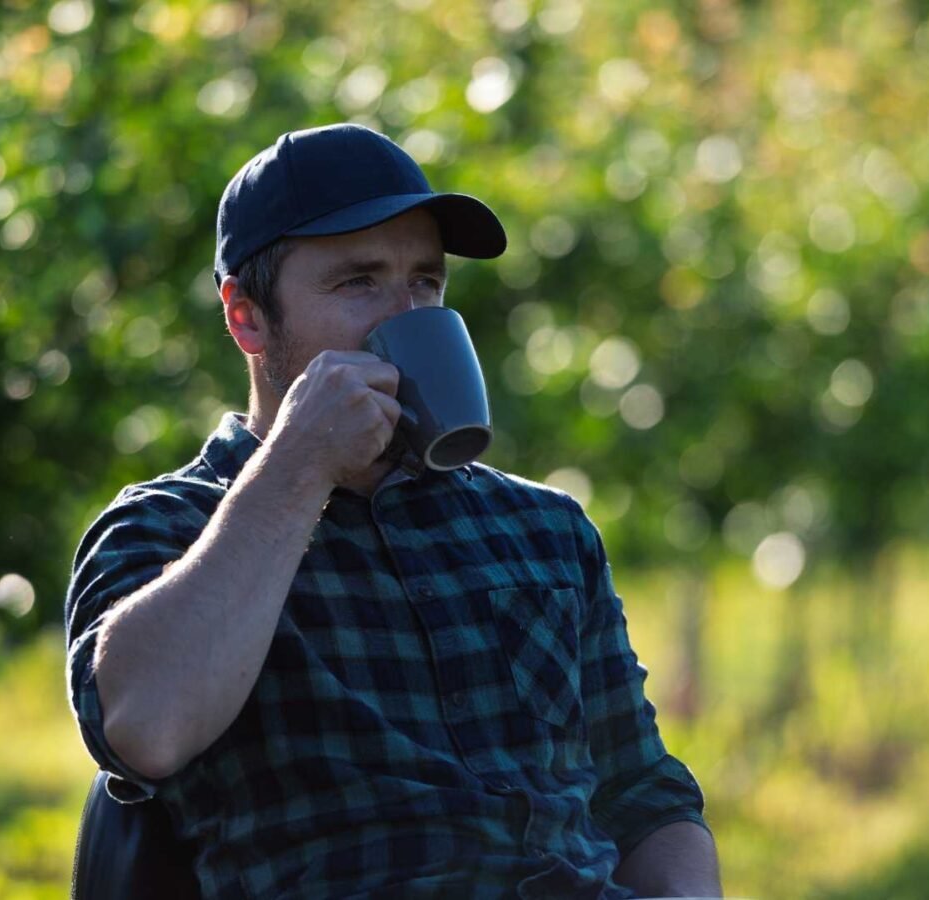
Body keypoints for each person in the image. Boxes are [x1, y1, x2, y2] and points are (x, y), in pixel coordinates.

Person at [65, 123, 720, 899]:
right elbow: (144, 730)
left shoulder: (543, 530)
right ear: (247, 316)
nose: (406, 313)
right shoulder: (169, 527)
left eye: (426, 282)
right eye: (359, 283)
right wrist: (298, 467)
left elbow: (642, 792)